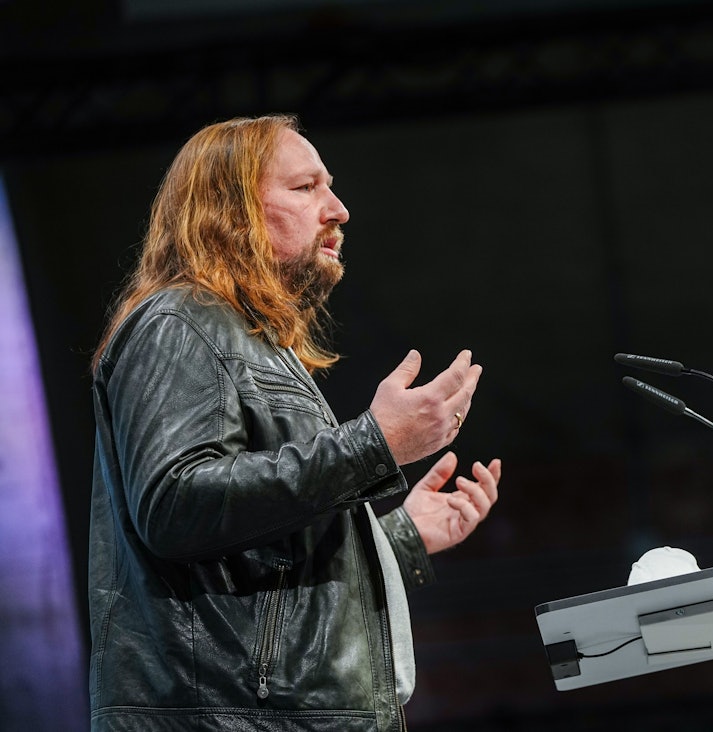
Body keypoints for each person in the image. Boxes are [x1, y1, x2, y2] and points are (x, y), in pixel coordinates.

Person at [88, 114, 501, 731]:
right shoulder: (181, 321)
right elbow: (175, 506)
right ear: (230, 211)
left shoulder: (248, 340)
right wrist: (374, 445)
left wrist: (395, 536)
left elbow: (261, 557)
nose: (338, 209)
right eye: (306, 188)